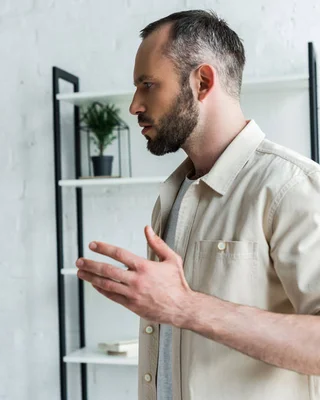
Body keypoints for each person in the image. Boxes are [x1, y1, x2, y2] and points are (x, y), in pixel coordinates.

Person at [75, 10, 320, 400]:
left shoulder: (291, 187)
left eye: (148, 85)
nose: (134, 105)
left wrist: (186, 307)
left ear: (202, 82)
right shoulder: (174, 195)